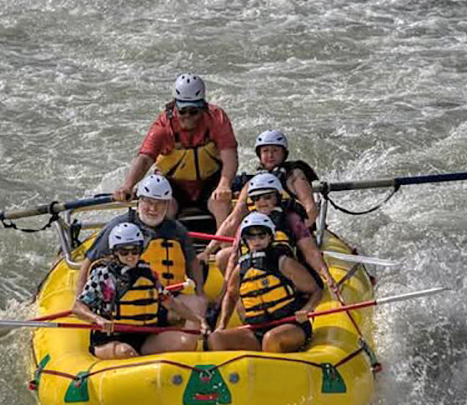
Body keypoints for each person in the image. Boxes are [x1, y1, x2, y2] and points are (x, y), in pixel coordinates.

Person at [77, 173, 207, 322]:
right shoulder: (118, 228)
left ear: (168, 204)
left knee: (198, 303)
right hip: (126, 299)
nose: (153, 208)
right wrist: (80, 302)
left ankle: (191, 339)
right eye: (148, 202)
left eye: (160, 203)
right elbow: (89, 262)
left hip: (165, 295)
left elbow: (192, 262)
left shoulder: (177, 230)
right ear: (139, 200)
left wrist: (200, 291)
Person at [112, 74, 238, 227]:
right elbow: (145, 158)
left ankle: (224, 249)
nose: (188, 117)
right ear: (174, 106)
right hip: (172, 186)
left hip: (210, 182)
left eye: (194, 111)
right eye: (183, 111)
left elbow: (229, 154)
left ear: (203, 107)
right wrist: (128, 185)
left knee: (221, 203)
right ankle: (164, 245)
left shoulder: (217, 118)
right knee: (163, 206)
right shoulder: (163, 126)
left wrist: (224, 184)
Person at [73, 222, 208, 359]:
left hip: (145, 336)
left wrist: (197, 319)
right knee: (126, 352)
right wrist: (98, 320)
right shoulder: (103, 275)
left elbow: (171, 303)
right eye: (124, 252)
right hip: (111, 338)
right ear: (114, 252)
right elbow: (78, 308)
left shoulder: (147, 272)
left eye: (135, 251)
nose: (130, 256)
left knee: (185, 343)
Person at [208, 213, 323, 354]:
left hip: (292, 325)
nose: (257, 241)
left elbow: (316, 290)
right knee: (215, 339)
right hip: (257, 330)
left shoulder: (283, 263)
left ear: (270, 237)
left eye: (262, 236)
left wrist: (307, 309)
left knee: (271, 339)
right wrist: (222, 325)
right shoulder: (240, 269)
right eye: (251, 237)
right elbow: (231, 296)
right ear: (245, 240)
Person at [199, 173, 333, 288]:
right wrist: (226, 293)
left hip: (285, 266)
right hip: (255, 265)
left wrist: (327, 276)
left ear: (277, 197)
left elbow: (310, 251)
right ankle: (247, 297)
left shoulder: (291, 218)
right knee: (222, 256)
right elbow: (234, 255)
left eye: (268, 197)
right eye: (257, 198)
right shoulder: (249, 221)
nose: (262, 202)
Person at [236, 130, 319, 225]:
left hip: (293, 229)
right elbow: (235, 217)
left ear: (284, 154)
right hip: (261, 232)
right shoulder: (254, 181)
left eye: (275, 150)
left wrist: (299, 232)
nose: (270, 155)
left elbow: (311, 210)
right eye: (265, 151)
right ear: (259, 155)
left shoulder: (294, 175)